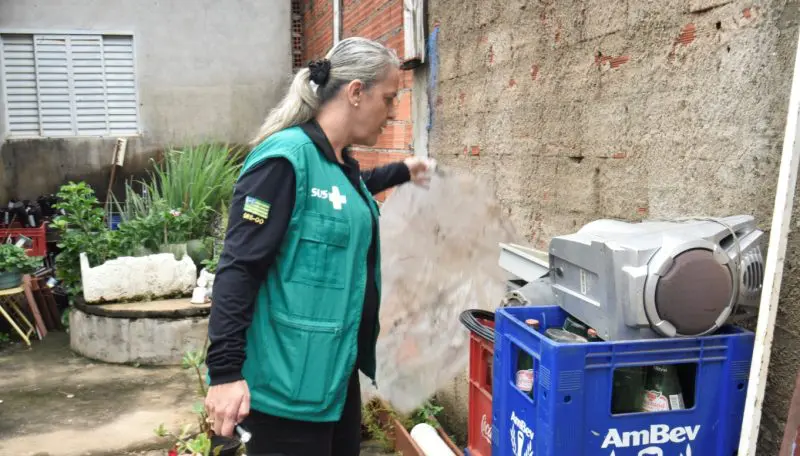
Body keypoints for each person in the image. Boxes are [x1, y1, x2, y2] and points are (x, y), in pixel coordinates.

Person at [204, 36, 436, 456]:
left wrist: (400, 171)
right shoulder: (284, 160)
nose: (392, 113)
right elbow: (239, 268)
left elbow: (338, 198)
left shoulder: (335, 162)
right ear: (355, 93)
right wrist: (224, 374)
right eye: (388, 99)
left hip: (333, 378)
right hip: (285, 388)